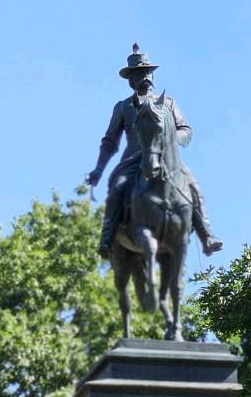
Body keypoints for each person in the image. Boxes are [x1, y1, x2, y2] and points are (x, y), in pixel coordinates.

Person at [87, 44, 222, 260]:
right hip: (133, 160)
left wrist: (170, 139)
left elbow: (186, 130)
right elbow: (110, 141)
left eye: (148, 71)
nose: (146, 76)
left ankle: (207, 233)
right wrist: (99, 169)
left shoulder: (168, 103)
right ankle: (108, 237)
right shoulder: (123, 107)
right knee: (117, 188)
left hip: (166, 158)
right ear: (131, 79)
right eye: (140, 72)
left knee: (192, 185)